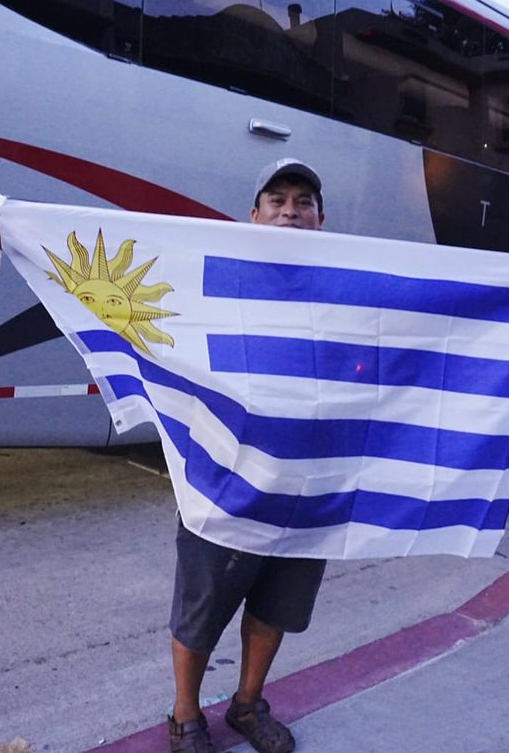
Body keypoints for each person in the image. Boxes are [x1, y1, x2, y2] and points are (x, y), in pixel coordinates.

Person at [167, 159, 327, 753]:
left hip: (307, 487)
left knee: (275, 607)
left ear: (320, 219)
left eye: (303, 202)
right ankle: (185, 716)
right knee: (202, 610)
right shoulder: (216, 277)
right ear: (253, 214)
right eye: (277, 200)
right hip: (224, 481)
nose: (290, 212)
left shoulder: (346, 290)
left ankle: (245, 705)